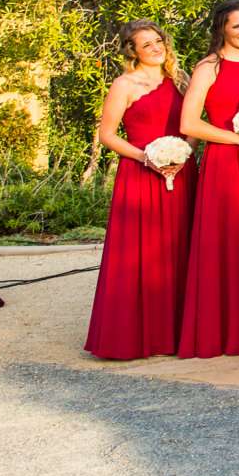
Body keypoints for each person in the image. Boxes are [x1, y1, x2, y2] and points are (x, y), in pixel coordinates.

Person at [86, 22, 194, 360]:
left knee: (177, 249)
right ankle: (133, 336)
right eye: (145, 44)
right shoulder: (125, 84)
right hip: (140, 174)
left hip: (181, 171)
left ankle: (175, 335)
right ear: (133, 51)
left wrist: (184, 152)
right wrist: (145, 157)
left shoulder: (181, 80)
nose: (154, 48)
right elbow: (108, 134)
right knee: (138, 255)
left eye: (158, 41)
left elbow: (193, 125)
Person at [177, 0, 239, 358]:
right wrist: (238, 139)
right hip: (224, 163)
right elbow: (189, 124)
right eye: (237, 27)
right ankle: (222, 330)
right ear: (222, 30)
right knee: (228, 244)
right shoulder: (208, 68)